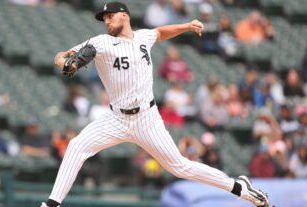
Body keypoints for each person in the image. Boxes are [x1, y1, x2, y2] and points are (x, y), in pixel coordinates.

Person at [44, 2, 269, 207]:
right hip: (115, 119)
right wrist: (66, 63)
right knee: (76, 146)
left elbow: (160, 32)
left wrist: (188, 26)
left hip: (146, 119)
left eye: (110, 16)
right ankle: (52, 204)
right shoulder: (100, 42)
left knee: (180, 167)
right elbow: (60, 56)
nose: (107, 21)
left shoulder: (143, 37)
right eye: (104, 19)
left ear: (124, 15)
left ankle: (239, 187)